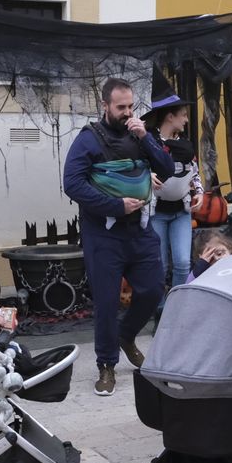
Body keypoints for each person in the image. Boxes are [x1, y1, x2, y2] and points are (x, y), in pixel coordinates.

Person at [62, 78, 175, 397]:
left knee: (153, 290)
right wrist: (114, 204)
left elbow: (166, 169)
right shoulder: (89, 140)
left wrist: (146, 138)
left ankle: (126, 336)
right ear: (105, 106)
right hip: (104, 236)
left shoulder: (140, 134)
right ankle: (106, 364)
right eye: (120, 107)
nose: (127, 113)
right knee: (107, 301)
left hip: (140, 232)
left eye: (131, 106)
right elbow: (72, 183)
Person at [146, 93, 202, 290]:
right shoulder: (149, 142)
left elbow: (194, 172)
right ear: (170, 117)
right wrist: (146, 176)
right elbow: (138, 167)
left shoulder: (185, 145)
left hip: (181, 212)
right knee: (159, 266)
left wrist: (200, 193)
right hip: (157, 213)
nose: (186, 119)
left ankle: (175, 302)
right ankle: (159, 307)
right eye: (183, 115)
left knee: (183, 263)